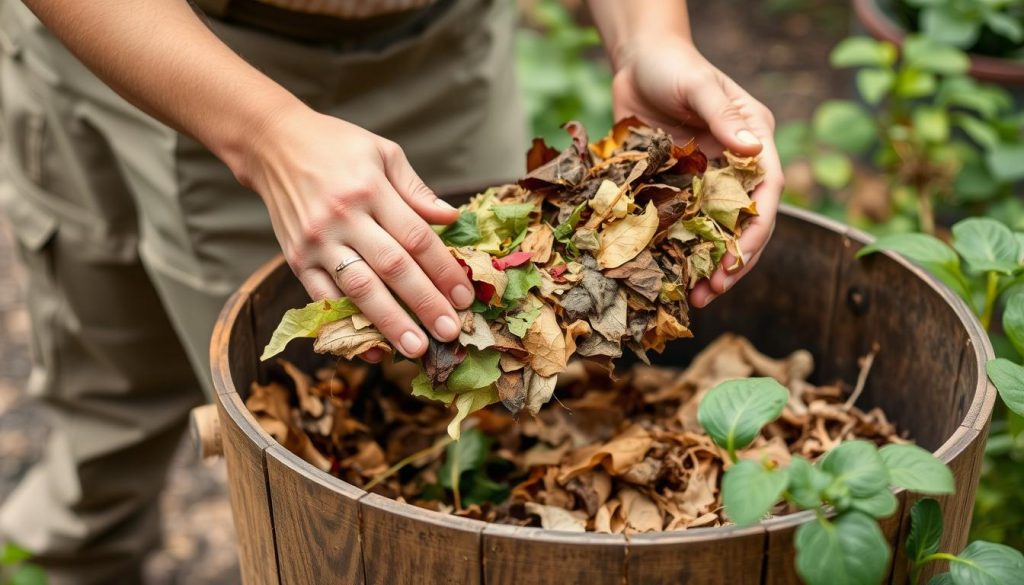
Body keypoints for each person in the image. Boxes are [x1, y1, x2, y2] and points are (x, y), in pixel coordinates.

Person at [0, 0, 782, 582]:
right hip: (130, 33)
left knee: (399, 426)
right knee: (107, 408)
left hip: (437, 50)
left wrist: (649, 35)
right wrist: (266, 135)